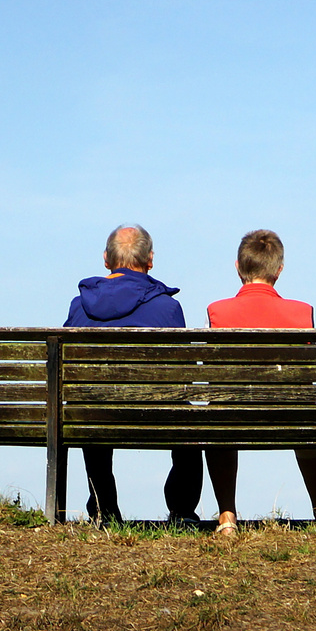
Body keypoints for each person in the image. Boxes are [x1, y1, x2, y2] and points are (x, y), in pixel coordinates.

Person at [63, 224, 204, 524]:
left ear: (106, 259)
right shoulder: (167, 308)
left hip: (96, 414)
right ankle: (182, 510)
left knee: (89, 401)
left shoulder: (81, 307)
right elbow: (185, 378)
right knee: (188, 411)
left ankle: (104, 509)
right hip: (156, 412)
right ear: (150, 259)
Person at [202, 229, 316, 534]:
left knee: (218, 412)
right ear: (279, 270)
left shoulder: (217, 312)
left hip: (233, 418)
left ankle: (226, 516)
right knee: (308, 412)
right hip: (292, 416)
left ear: (238, 267)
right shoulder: (302, 313)